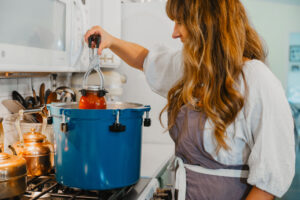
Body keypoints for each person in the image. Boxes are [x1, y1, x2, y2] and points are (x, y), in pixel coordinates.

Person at [84, 0, 295, 199]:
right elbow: (146, 60)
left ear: (208, 23)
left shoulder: (256, 80)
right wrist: (110, 41)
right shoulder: (195, 70)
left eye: (181, 22)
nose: (174, 33)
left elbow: (269, 183)